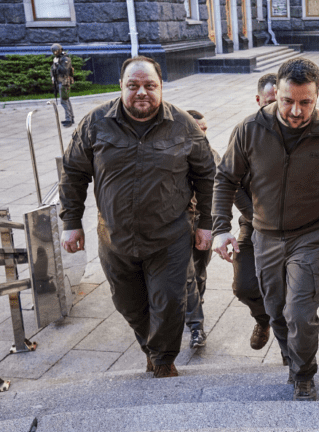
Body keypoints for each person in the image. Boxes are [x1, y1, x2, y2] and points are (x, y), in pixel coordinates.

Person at [59, 56, 216, 378]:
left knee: (171, 303)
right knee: (128, 304)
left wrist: (205, 223)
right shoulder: (95, 123)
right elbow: (74, 173)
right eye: (133, 85)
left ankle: (162, 360)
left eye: (149, 85)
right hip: (114, 236)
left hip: (169, 237)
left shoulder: (184, 125)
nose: (141, 92)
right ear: (121, 86)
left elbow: (207, 175)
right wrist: (71, 222)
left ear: (160, 87)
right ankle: (152, 347)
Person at [212, 58, 319, 401]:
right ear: (276, 93)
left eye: (306, 102)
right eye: (288, 100)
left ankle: (304, 373)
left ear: (317, 96)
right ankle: (291, 356)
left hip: (311, 236)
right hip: (265, 236)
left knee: (301, 313)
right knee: (276, 310)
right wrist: (220, 228)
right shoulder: (250, 129)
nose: (296, 110)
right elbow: (225, 178)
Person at [228, 74, 280, 353]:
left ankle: (291, 348)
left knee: (289, 290)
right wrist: (254, 215)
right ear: (259, 100)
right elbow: (230, 180)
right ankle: (263, 320)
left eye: (278, 102)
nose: (274, 109)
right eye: (268, 102)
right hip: (253, 222)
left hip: (291, 228)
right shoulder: (244, 131)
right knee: (244, 285)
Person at [183, 109, 222, 349]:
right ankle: (196, 326)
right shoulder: (175, 155)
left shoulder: (213, 155)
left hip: (203, 222)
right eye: (199, 130)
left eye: (206, 129)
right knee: (186, 276)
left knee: (198, 272)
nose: (204, 134)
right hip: (179, 224)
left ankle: (195, 304)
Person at [50, 43, 74, 127]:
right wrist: (52, 77)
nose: (55, 53)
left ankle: (69, 119)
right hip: (59, 81)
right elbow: (52, 69)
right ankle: (71, 118)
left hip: (64, 82)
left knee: (64, 101)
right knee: (66, 99)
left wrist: (57, 64)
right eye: (54, 51)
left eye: (56, 51)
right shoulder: (57, 58)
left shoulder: (65, 59)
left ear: (60, 50)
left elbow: (64, 70)